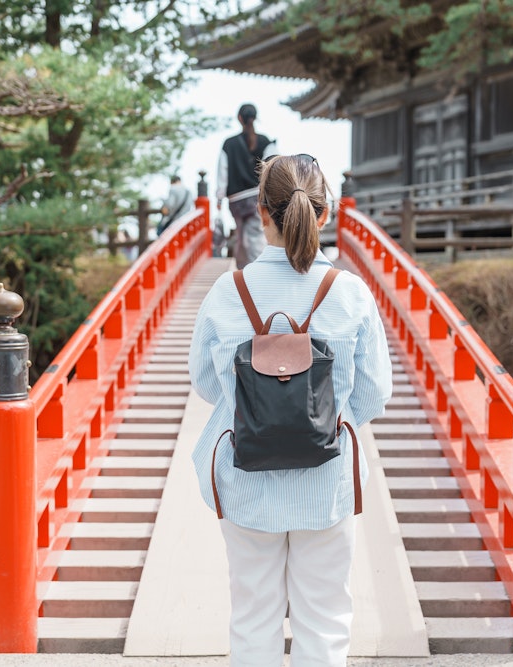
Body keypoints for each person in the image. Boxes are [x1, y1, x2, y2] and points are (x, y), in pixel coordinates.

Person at [189, 154, 393, 665]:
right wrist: (319, 419)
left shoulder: (226, 292)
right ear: (325, 214)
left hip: (246, 478)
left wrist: (260, 409)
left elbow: (206, 382)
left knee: (252, 618)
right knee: (324, 622)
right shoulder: (349, 294)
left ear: (261, 212)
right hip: (326, 482)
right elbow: (373, 393)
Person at [216, 103, 278, 268]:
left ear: (239, 118)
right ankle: (256, 272)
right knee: (255, 237)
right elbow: (274, 170)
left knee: (241, 237)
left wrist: (219, 197)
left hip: (235, 200)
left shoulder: (228, 144)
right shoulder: (266, 142)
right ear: (255, 118)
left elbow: (222, 172)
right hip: (257, 197)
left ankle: (244, 272)